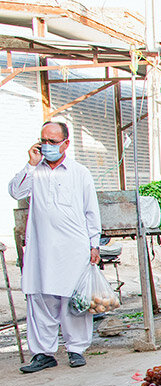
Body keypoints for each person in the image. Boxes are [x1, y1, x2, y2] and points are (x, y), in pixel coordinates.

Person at [8, 120, 100, 373]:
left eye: (52, 141)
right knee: (40, 297)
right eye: (43, 141)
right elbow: (15, 192)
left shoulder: (79, 173)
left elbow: (91, 210)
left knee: (73, 299)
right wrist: (31, 163)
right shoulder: (34, 172)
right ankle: (42, 353)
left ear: (65, 144)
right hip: (41, 248)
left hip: (73, 247)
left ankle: (76, 349)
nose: (46, 146)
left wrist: (94, 244)